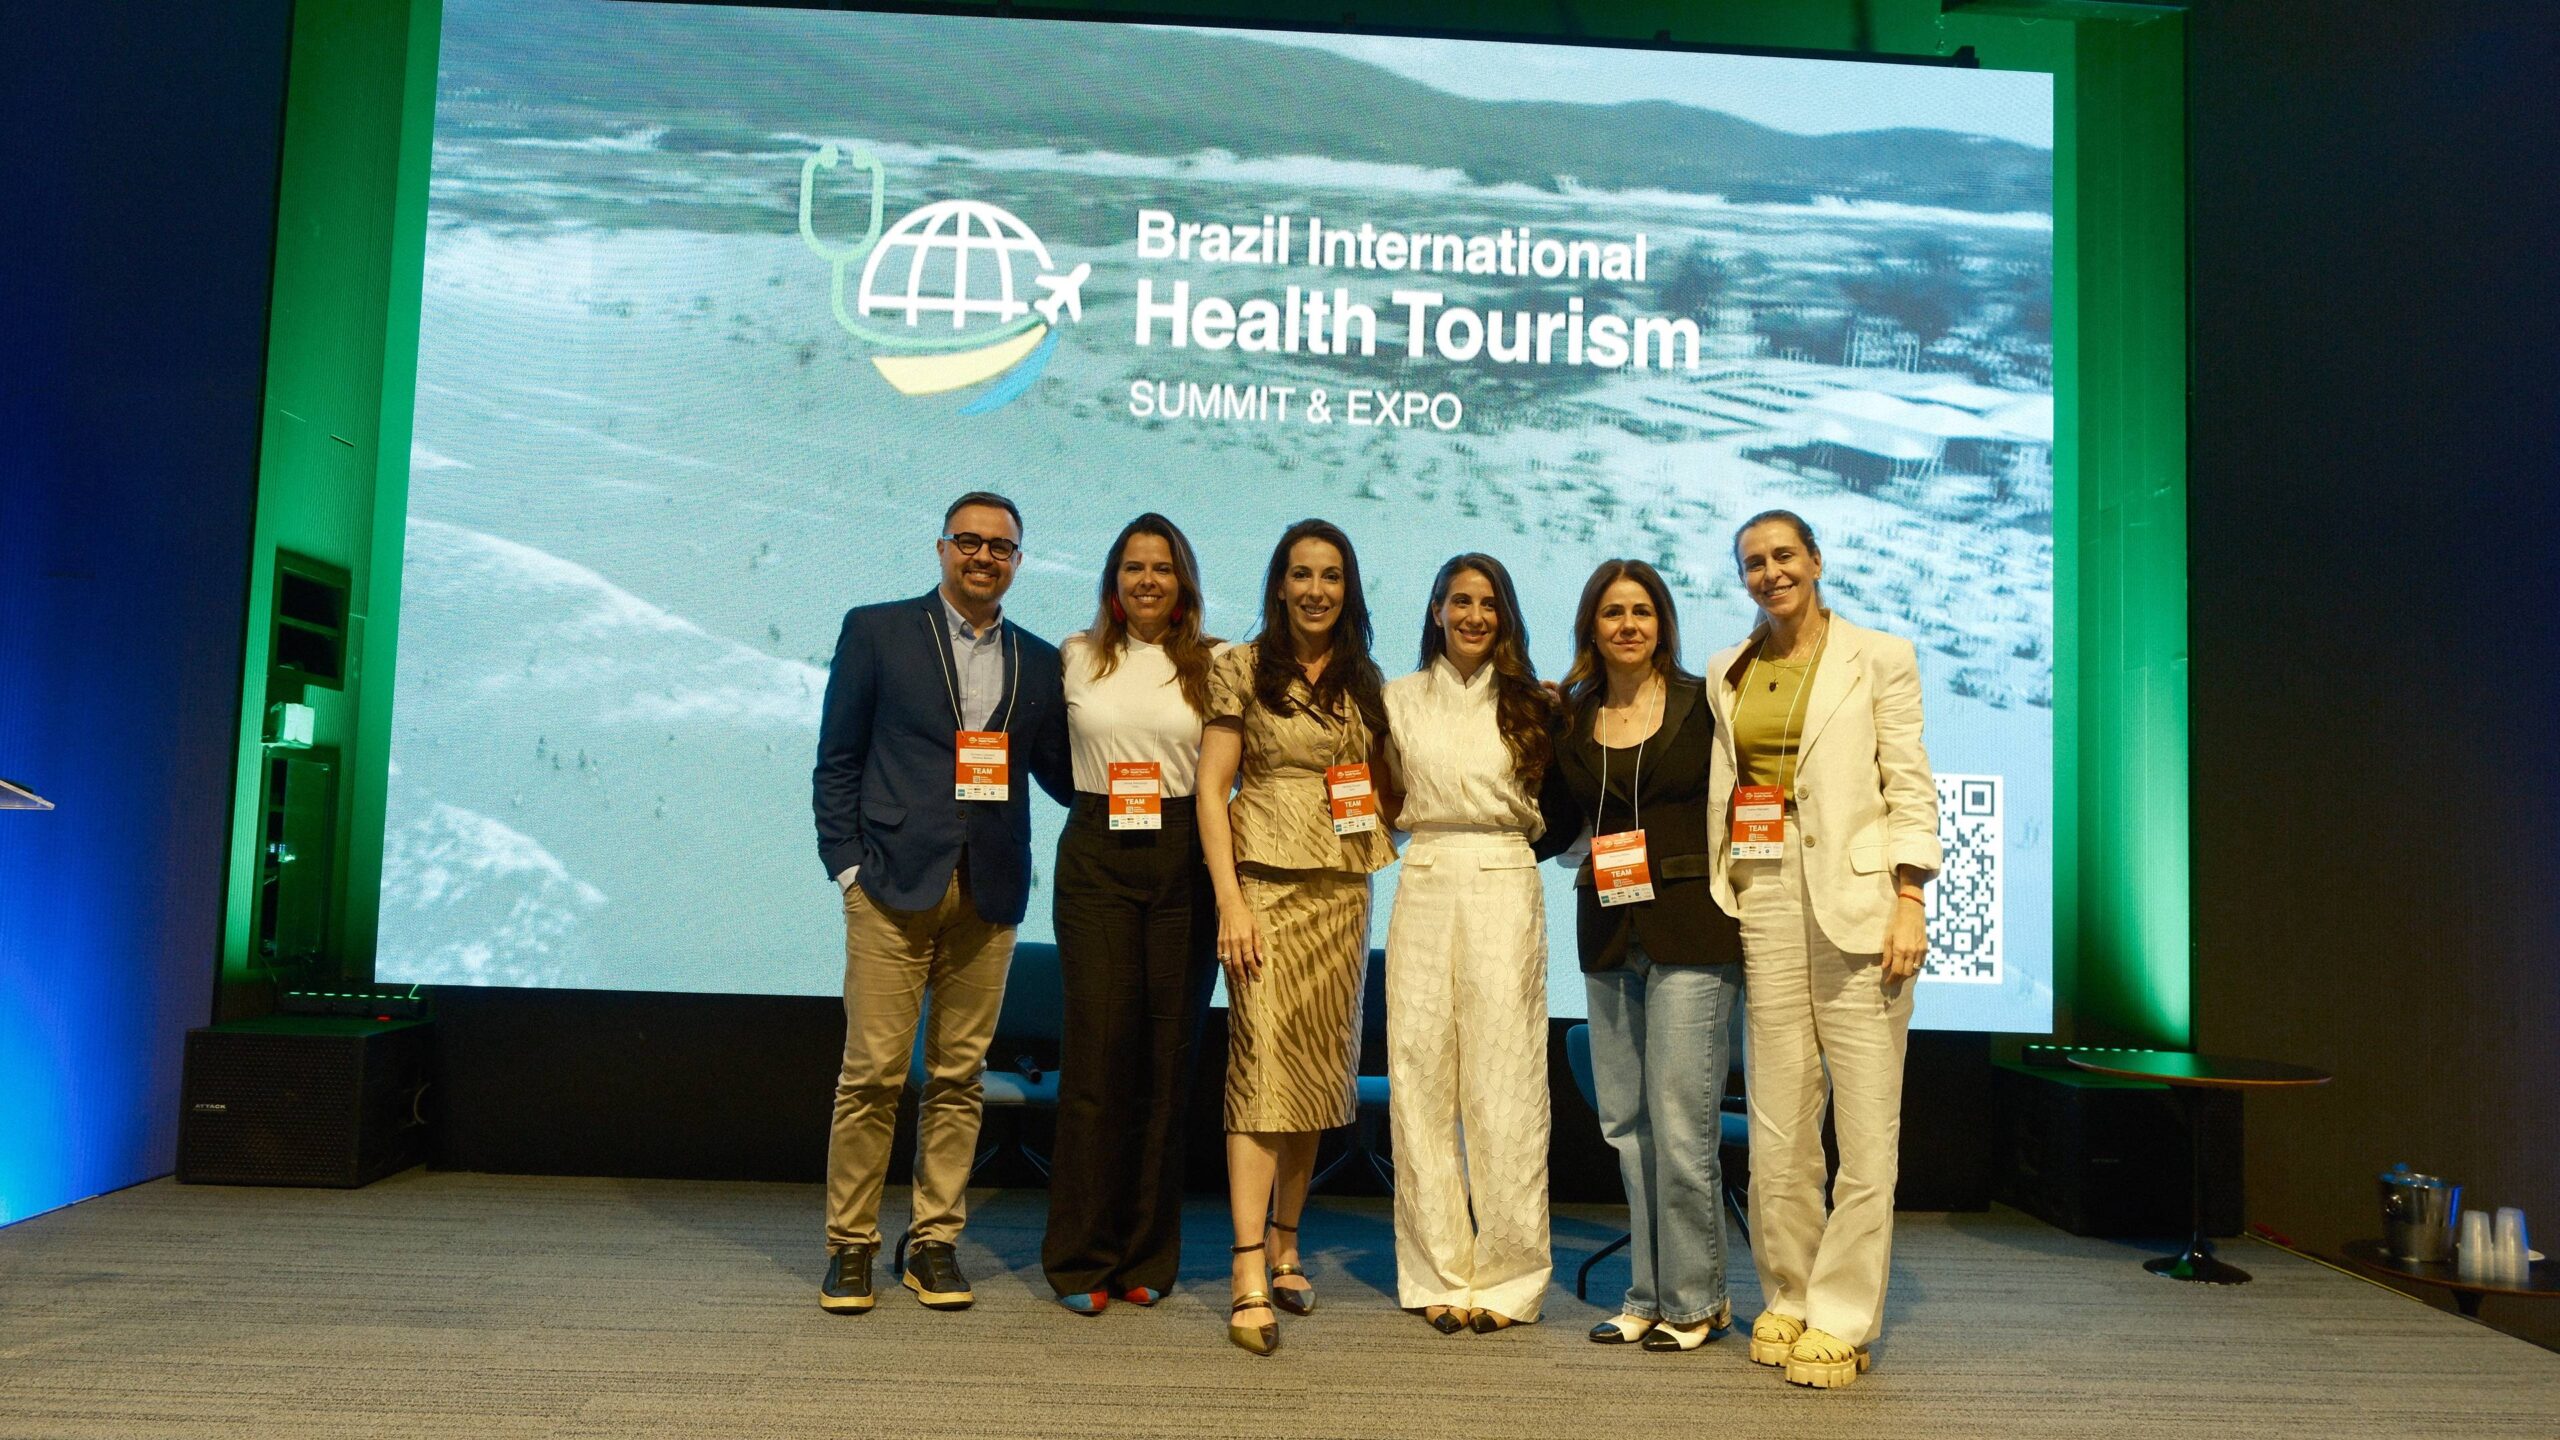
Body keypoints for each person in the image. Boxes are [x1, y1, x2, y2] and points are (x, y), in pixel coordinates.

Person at [810, 490, 1071, 1316]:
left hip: (988, 892)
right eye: (969, 541)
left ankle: (933, 1243)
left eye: (1000, 547)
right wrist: (846, 866)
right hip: (890, 885)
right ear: (942, 548)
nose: (984, 556)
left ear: (1017, 562)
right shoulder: (877, 631)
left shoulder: (1039, 659)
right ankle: (851, 1246)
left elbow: (1063, 776)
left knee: (959, 1077)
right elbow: (838, 758)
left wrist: (1159, 763)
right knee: (873, 1076)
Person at [1707, 509, 1939, 1389]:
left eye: (1783, 556)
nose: (1770, 573)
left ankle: (1843, 1314)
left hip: (1862, 901)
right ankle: (1791, 1292)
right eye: (1753, 563)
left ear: (1814, 560)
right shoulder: (1728, 668)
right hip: (1765, 891)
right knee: (1778, 1123)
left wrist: (1910, 898)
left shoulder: (1880, 656)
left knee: (1867, 1127)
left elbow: (1909, 783)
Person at [1195, 518, 1397, 1356]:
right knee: (1259, 1071)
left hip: (1342, 892)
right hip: (1264, 888)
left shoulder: (1364, 678)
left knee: (1314, 1068)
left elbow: (1384, 790)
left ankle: (1287, 1244)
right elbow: (1212, 789)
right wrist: (1230, 902)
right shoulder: (1239, 666)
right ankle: (1247, 1266)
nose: (1317, 589)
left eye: (1332, 576)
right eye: (1302, 574)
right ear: (1279, 584)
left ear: (1348, 590)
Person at [1537, 559, 1746, 1354]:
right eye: (1612, 612)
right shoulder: (1574, 716)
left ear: (1662, 624)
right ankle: (1645, 1296)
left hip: (1693, 932)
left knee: (1682, 1125)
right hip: (1607, 932)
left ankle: (1694, 1301)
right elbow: (1555, 823)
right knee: (1628, 1126)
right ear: (1591, 627)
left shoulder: (1703, 704)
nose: (1628, 624)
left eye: (1642, 611)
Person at [1042, 514, 1222, 1315]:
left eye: (1163, 567)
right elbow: (1054, 758)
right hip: (1097, 852)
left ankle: (1147, 1254)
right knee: (1098, 1054)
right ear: (1114, 581)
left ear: (1183, 582)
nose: (1148, 579)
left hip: (1187, 855)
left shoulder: (1215, 663)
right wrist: (1100, 807)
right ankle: (1081, 1258)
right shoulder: (1076, 655)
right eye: (1133, 567)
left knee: (1167, 1060)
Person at [1378, 554, 1556, 1335]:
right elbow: (1379, 795)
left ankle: (1510, 1278)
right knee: (1419, 1076)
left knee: (1505, 1082)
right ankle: (1437, 1272)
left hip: (1504, 872)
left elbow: (1564, 806)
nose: (1474, 615)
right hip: (1424, 872)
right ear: (1436, 610)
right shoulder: (1396, 699)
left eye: (1488, 603)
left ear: (1504, 615)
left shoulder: (1534, 703)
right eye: (1460, 601)